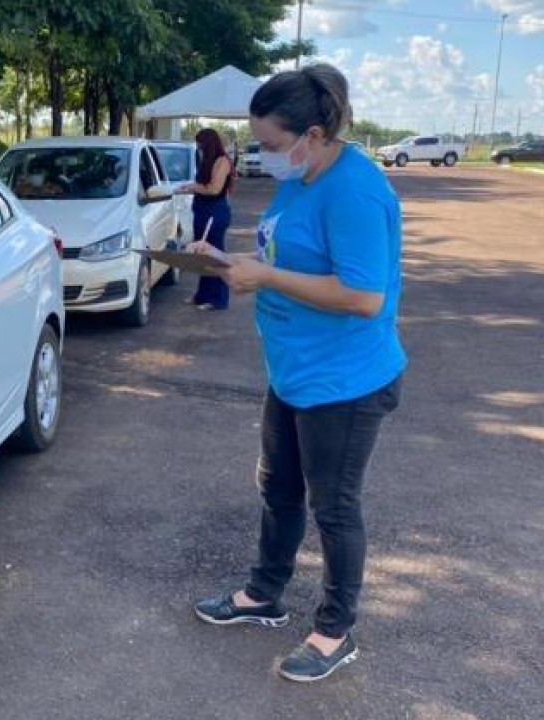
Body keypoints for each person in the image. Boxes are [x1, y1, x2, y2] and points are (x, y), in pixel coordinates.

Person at [190, 63, 407, 683]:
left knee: (334, 508)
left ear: (313, 134)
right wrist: (229, 260)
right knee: (277, 487)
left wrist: (267, 278)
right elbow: (280, 254)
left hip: (346, 381)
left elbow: (363, 296)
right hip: (293, 371)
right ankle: (264, 594)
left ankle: (336, 631)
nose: (264, 156)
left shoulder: (355, 191)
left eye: (272, 145)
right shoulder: (304, 177)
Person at [177, 129, 235, 311]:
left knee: (215, 255)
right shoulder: (206, 161)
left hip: (215, 212)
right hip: (202, 210)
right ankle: (202, 295)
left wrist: (194, 186)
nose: (199, 148)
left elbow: (214, 189)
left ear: (209, 144)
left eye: (201, 145)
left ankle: (218, 299)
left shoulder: (222, 161)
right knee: (202, 254)